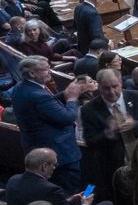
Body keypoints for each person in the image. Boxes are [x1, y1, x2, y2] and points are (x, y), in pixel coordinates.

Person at [11, 57, 94, 193]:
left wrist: (65, 94)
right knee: (71, 188)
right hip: (59, 153)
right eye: (45, 69)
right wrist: (73, 98)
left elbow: (46, 105)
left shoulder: (21, 87)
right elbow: (67, 118)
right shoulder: (37, 94)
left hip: (38, 146)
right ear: (32, 73)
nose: (50, 71)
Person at [79, 68, 138, 199]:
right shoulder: (89, 109)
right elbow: (90, 142)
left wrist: (135, 124)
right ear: (99, 86)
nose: (111, 92)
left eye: (115, 86)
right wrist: (109, 132)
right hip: (114, 167)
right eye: (106, 88)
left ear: (121, 82)